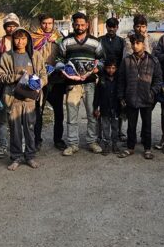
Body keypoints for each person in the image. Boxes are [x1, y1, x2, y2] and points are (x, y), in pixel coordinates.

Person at [0, 29, 47, 169]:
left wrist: (38, 83)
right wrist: (16, 77)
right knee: (15, 130)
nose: (20, 42)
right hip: (13, 99)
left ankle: (30, 156)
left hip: (30, 100)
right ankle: (16, 157)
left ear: (28, 40)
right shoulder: (7, 56)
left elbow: (43, 74)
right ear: (13, 40)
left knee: (30, 129)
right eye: (17, 39)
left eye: (23, 39)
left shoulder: (35, 55)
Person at [56, 12, 104, 155]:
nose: (80, 27)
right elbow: (59, 60)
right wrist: (64, 70)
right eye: (77, 24)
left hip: (90, 83)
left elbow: (102, 60)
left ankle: (92, 141)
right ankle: (72, 144)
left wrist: (97, 68)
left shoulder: (95, 42)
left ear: (87, 25)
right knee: (72, 115)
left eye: (82, 24)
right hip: (72, 84)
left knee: (92, 114)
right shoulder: (66, 41)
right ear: (73, 24)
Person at [118, 33, 162, 159]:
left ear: (143, 44)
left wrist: (151, 92)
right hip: (131, 98)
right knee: (131, 126)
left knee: (147, 125)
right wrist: (121, 97)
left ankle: (147, 149)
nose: (135, 46)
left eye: (138, 43)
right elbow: (121, 80)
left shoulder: (153, 61)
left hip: (146, 98)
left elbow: (158, 80)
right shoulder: (126, 61)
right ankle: (130, 148)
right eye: (133, 43)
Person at [0, 13, 22, 158]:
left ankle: (19, 145)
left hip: (20, 87)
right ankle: (2, 146)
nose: (11, 28)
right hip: (1, 86)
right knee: (2, 118)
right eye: (8, 26)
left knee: (19, 118)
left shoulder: (23, 42)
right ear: (4, 27)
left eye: (14, 26)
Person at [32, 13, 63, 149]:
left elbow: (64, 54)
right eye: (44, 23)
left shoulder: (60, 38)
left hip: (56, 79)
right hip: (39, 78)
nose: (47, 26)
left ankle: (58, 140)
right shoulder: (33, 38)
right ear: (40, 24)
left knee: (59, 111)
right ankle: (37, 140)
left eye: (50, 23)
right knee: (38, 111)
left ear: (53, 23)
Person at [94, 60, 122, 154]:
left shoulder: (119, 80)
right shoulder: (102, 80)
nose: (111, 70)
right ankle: (106, 145)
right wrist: (96, 107)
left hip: (116, 108)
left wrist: (122, 107)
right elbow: (97, 95)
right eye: (109, 68)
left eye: (113, 68)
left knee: (115, 127)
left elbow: (121, 93)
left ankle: (115, 144)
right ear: (105, 68)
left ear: (116, 69)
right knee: (105, 127)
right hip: (104, 108)